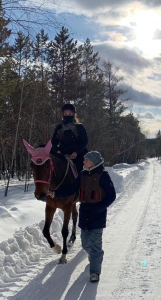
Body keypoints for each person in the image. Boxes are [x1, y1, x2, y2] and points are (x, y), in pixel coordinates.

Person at [47, 151, 116, 282]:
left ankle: (95, 272)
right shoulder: (82, 175)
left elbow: (111, 195)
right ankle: (95, 255)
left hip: (97, 215)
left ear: (93, 162)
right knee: (85, 243)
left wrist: (100, 208)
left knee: (95, 245)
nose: (83, 162)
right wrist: (55, 193)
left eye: (86, 160)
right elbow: (71, 189)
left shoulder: (103, 176)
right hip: (84, 214)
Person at [51, 103, 88, 173]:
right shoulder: (59, 127)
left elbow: (84, 142)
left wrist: (76, 152)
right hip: (62, 154)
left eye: (70, 113)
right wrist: (57, 150)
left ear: (74, 114)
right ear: (63, 115)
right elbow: (54, 142)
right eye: (65, 114)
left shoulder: (79, 127)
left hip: (77, 154)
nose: (67, 115)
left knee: (82, 170)